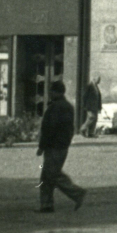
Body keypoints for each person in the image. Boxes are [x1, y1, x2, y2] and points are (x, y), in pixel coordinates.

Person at [37, 80, 87, 213]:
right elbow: (70, 128)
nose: (50, 94)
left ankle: (77, 193)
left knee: (52, 174)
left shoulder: (55, 107)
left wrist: (42, 146)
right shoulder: (68, 106)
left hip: (54, 146)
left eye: (51, 91)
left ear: (56, 92)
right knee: (47, 175)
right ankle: (46, 205)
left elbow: (49, 129)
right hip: (62, 145)